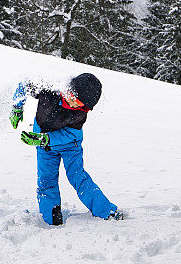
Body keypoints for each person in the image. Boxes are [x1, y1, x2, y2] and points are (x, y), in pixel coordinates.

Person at [11, 73, 123, 225]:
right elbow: (25, 85)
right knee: (46, 180)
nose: (76, 106)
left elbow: (72, 134)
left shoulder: (80, 112)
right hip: (45, 146)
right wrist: (17, 107)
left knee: (78, 177)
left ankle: (106, 212)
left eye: (81, 105)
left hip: (70, 146)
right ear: (70, 89)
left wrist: (46, 139)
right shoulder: (49, 90)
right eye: (75, 100)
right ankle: (51, 219)